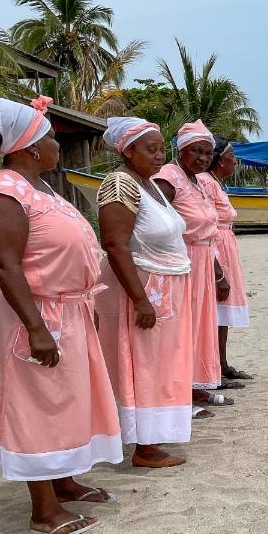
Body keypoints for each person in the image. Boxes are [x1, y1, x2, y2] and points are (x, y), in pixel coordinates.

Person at [0, 95, 121, 534]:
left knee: (66, 401)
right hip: (32, 315)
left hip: (67, 311)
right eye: (51, 137)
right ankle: (43, 509)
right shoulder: (2, 192)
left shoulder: (41, 188)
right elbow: (6, 265)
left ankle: (64, 481)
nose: (56, 144)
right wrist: (35, 327)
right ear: (30, 147)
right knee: (36, 404)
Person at [94, 116, 194, 469]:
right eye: (150, 149)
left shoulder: (148, 185)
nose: (158, 156)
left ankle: (154, 436)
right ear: (128, 150)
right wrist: (140, 299)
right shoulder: (120, 184)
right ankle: (145, 446)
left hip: (165, 287)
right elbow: (114, 243)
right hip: (146, 289)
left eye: (161, 150)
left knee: (164, 364)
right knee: (147, 365)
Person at [153, 120, 234, 409]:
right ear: (181, 149)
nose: (202, 158)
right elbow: (156, 223)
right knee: (182, 330)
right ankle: (180, 396)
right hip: (182, 263)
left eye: (207, 153)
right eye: (195, 151)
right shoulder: (168, 178)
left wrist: (218, 272)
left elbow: (206, 231)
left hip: (202, 261)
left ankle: (197, 386)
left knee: (201, 328)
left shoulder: (196, 180)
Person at [200, 137, 253, 381]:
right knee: (215, 309)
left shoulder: (216, 183)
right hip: (216, 248)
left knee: (222, 310)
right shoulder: (206, 183)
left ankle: (222, 363)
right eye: (233, 158)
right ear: (221, 161)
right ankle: (215, 366)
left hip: (225, 245)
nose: (235, 163)